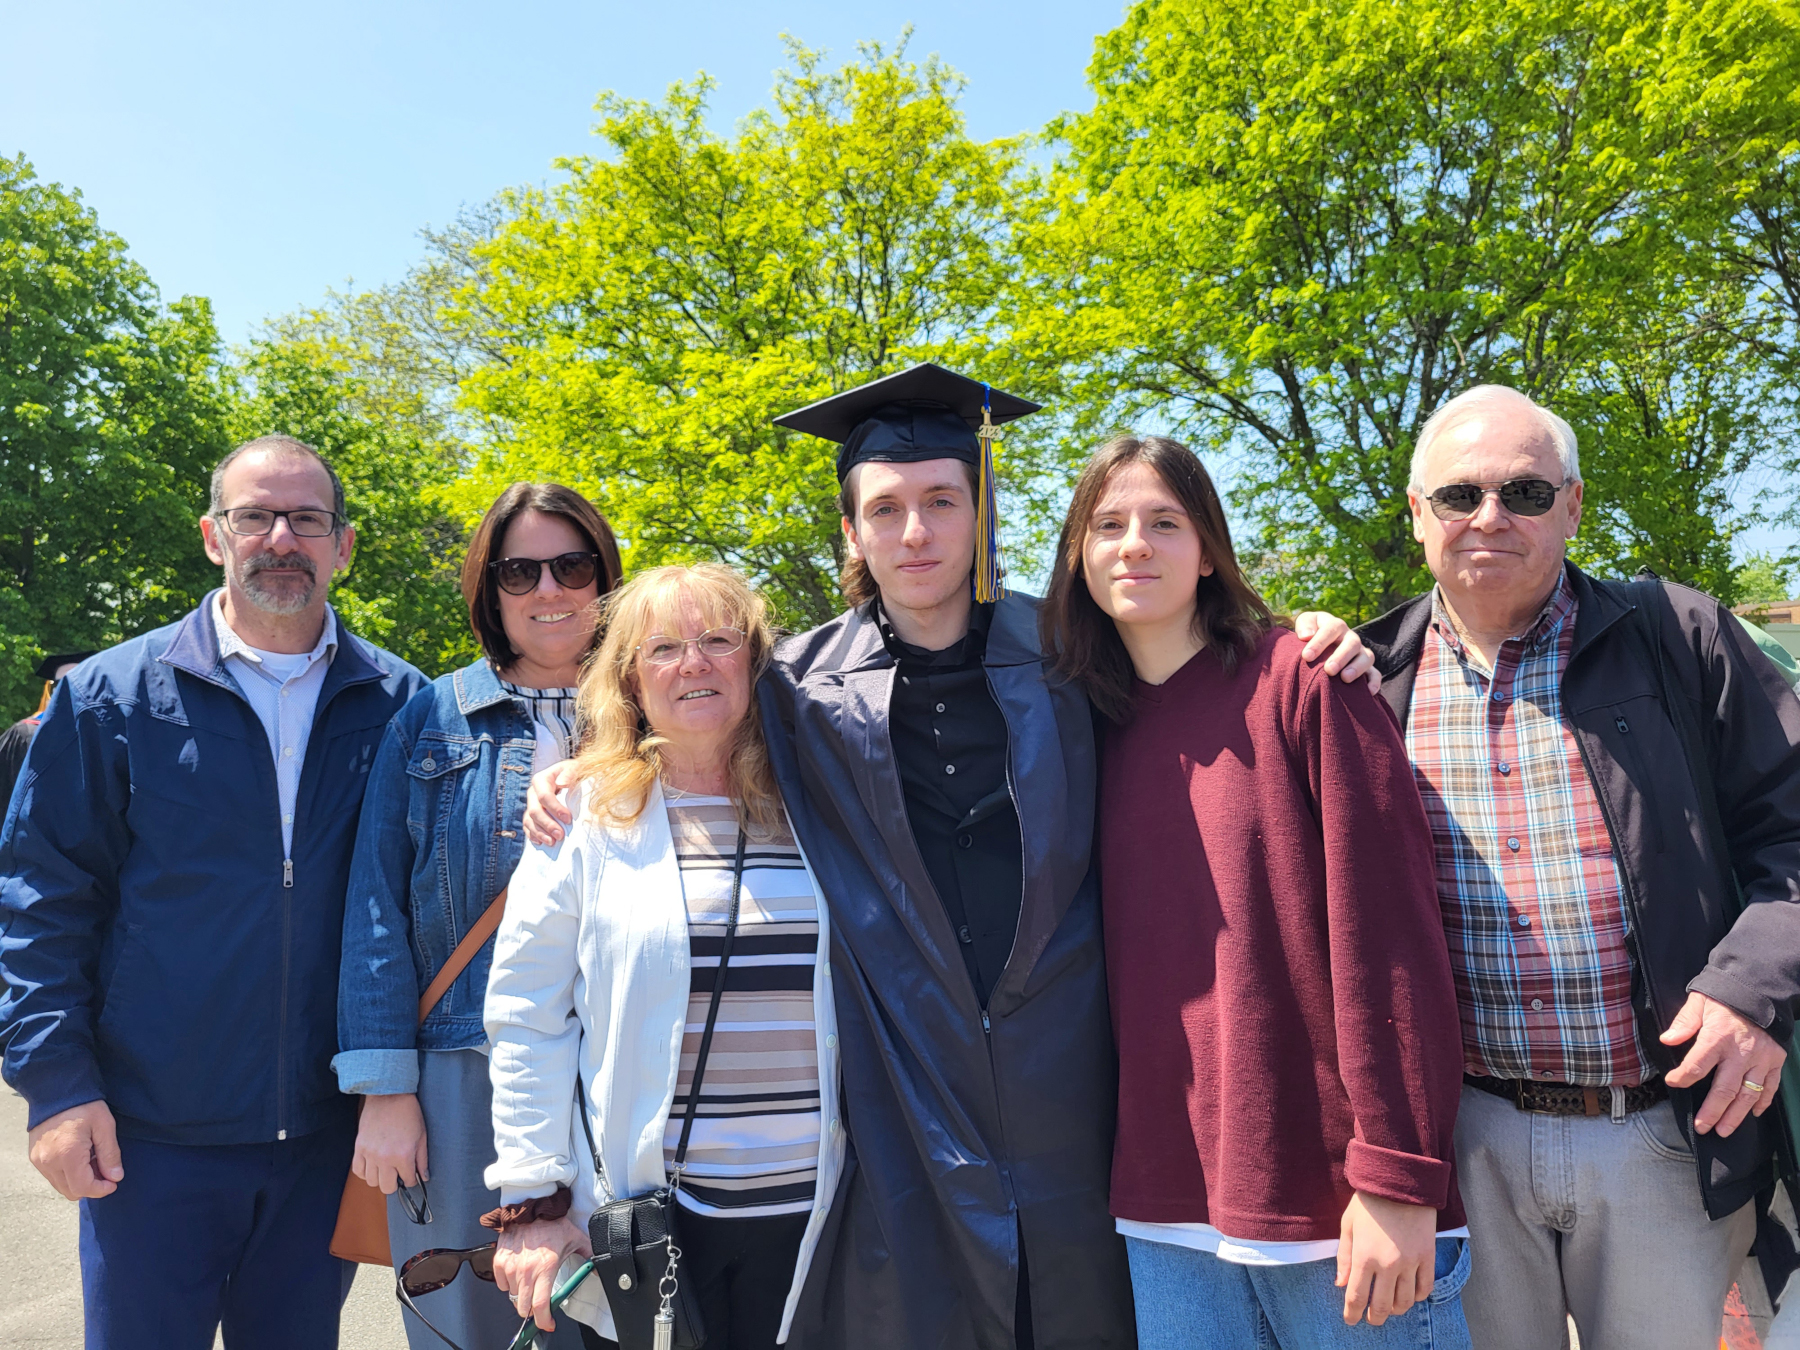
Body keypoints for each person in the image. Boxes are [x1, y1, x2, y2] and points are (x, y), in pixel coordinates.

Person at [751, 364, 1375, 1348]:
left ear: (979, 511)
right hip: (912, 1101)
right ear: (853, 532)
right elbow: (681, 748)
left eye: (942, 502)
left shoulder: (1066, 654)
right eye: (887, 510)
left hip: (1084, 1089)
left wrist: (1313, 632)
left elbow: (1204, 663)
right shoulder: (796, 689)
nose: (915, 533)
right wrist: (588, 775)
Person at [1356, 385, 1800, 1350]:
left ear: (1574, 506)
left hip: (1660, 1134)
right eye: (1458, 495)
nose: (1489, 517)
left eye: (1522, 489)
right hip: (1463, 1142)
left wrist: (1753, 990)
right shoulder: (1364, 681)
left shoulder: (1681, 639)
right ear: (1415, 513)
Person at [1041, 434, 1471, 1350]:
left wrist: (1398, 1177)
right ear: (1077, 555)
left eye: (1166, 522)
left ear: (1209, 549)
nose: (1136, 545)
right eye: (1108, 525)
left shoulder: (1305, 682)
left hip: (1335, 1208)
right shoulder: (1076, 725)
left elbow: (1390, 937)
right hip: (1166, 1212)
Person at [0, 434, 427, 1349]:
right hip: (147, 1140)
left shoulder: (404, 704)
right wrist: (58, 1088)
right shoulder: (110, 697)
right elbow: (41, 901)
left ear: (342, 546)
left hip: (323, 1136)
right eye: (256, 516)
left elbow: (428, 901)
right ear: (212, 536)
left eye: (308, 519)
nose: (282, 538)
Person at [485, 563, 844, 1349]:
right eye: (665, 648)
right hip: (652, 1218)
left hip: (816, 1211)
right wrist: (533, 1200)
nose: (694, 664)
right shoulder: (583, 814)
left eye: (719, 641)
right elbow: (526, 1017)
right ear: (628, 679)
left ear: (754, 662)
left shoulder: (824, 800)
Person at [334, 482, 622, 1348]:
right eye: (519, 570)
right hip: (466, 1071)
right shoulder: (432, 717)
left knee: (628, 1311)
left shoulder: (659, 707)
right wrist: (386, 1087)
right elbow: (376, 904)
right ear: (488, 589)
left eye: (571, 565)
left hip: (628, 1069)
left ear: (605, 577)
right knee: (473, 1317)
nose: (548, 590)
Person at [0, 651, 97, 812]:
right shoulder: (24, 734)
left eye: (80, 683)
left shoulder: (110, 736)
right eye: (60, 685)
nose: (69, 692)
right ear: (51, 691)